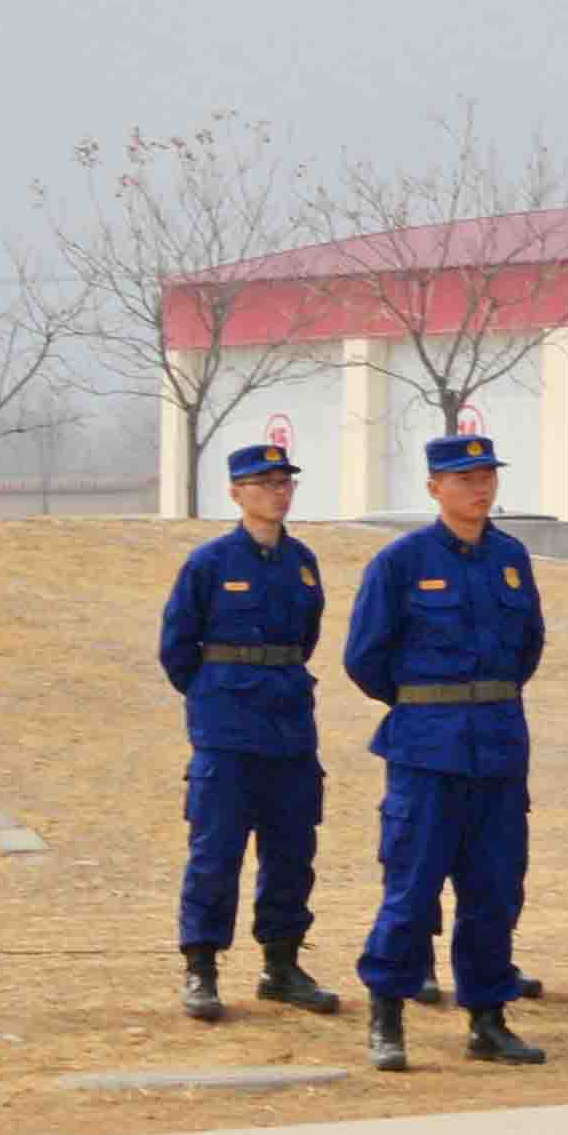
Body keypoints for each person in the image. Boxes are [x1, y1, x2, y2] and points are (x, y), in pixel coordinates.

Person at [341, 433, 551, 1071]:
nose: (479, 487)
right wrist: (429, 705)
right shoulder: (401, 562)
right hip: (428, 755)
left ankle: (488, 1017)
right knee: (411, 890)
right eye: (463, 478)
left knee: (494, 892)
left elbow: (529, 649)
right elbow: (365, 658)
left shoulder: (512, 558)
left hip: (497, 751)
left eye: (487, 475)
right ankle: (388, 1014)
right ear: (435, 487)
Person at [157, 438, 337, 1025]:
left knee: (292, 853)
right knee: (216, 854)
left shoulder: (302, 562)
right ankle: (201, 966)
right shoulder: (209, 563)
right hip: (228, 733)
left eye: (284, 483)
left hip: (289, 730)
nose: (277, 493)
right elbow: (177, 649)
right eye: (263, 485)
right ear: (236, 493)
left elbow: (305, 639)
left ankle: (281, 965)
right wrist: (216, 697)